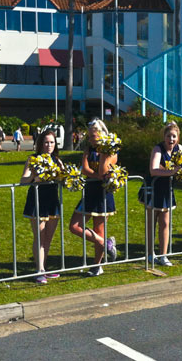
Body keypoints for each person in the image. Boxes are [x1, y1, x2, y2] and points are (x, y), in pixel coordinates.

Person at [68, 118, 117, 276]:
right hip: (89, 191)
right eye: (89, 136)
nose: (90, 139)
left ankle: (97, 265)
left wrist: (103, 153)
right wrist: (98, 176)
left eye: (93, 136)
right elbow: (84, 169)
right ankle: (106, 243)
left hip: (103, 194)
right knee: (74, 226)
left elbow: (104, 171)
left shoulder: (111, 151)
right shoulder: (89, 149)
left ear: (102, 135)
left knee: (99, 229)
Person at [20, 129, 63, 284]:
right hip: (37, 200)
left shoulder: (57, 160)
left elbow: (64, 178)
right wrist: (33, 176)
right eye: (46, 142)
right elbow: (23, 180)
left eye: (52, 142)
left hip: (52, 201)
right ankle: (39, 270)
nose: (49, 145)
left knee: (48, 238)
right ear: (40, 143)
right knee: (40, 237)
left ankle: (44, 268)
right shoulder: (32, 159)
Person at [139, 121, 182, 266]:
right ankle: (150, 254)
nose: (171, 139)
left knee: (165, 223)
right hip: (153, 189)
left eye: (174, 136)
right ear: (164, 136)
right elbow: (153, 169)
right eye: (169, 136)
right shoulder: (157, 149)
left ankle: (163, 255)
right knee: (152, 222)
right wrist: (171, 171)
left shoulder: (180, 149)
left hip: (167, 190)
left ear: (177, 138)